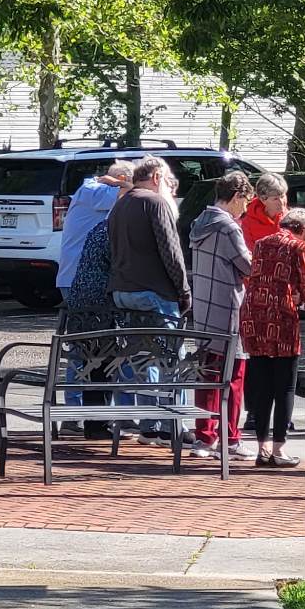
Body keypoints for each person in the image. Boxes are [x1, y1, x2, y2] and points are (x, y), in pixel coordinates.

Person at [108, 155, 192, 438]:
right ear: (156, 176)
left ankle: (149, 424)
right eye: (166, 180)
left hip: (124, 290)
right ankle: (172, 425)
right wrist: (183, 290)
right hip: (155, 291)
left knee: (142, 360)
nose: (168, 186)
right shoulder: (154, 203)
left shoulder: (121, 204)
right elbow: (171, 252)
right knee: (171, 358)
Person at [188, 171, 255, 463]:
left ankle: (205, 436)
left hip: (204, 308)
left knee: (207, 374)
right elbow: (248, 266)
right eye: (246, 202)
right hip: (228, 308)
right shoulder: (228, 227)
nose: (246, 209)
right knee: (234, 376)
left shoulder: (199, 222)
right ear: (237, 196)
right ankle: (231, 438)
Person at [240, 208, 305, 467]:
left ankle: (263, 447)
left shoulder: (261, 243)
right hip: (280, 317)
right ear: (303, 229)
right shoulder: (298, 246)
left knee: (261, 385)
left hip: (253, 315)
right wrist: (304, 300)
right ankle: (279, 448)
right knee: (285, 386)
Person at [56, 160, 134, 300]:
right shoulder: (95, 190)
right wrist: (122, 184)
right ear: (122, 178)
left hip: (85, 277)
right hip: (80, 279)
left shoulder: (95, 190)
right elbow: (134, 191)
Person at [241, 172, 288, 253]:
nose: (281, 202)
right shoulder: (248, 222)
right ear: (263, 200)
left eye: (283, 196)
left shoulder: (290, 218)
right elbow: (249, 252)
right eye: (275, 199)